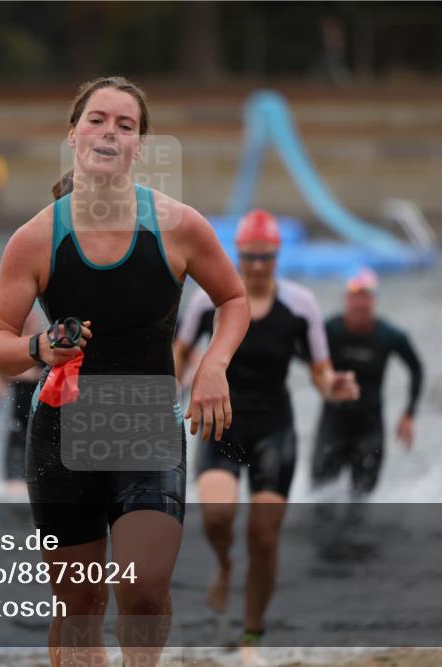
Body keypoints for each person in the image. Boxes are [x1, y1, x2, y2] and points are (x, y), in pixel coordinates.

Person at [0, 76, 249, 667]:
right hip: (60, 431)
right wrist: (40, 346)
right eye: (97, 120)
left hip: (146, 423)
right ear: (74, 135)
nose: (109, 132)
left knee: (144, 585)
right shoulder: (36, 239)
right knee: (79, 606)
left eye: (125, 125)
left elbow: (233, 300)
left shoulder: (179, 227)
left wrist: (213, 366)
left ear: (139, 147)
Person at [174, 209, 359, 646]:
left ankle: (252, 636)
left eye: (267, 258)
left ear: (278, 257)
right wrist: (176, 383)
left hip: (275, 429)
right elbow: (178, 351)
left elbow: (320, 372)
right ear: (237, 255)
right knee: (218, 517)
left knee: (263, 536)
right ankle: (223, 566)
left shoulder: (300, 305)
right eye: (250, 257)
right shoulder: (209, 301)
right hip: (222, 426)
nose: (258, 266)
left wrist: (335, 386)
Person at [310, 267, 424, 498]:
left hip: (370, 426)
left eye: (366, 297)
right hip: (333, 423)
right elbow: (304, 357)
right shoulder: (328, 330)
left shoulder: (390, 336)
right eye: (355, 297)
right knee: (318, 498)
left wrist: (409, 414)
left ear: (374, 300)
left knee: (361, 502)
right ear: (346, 299)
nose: (360, 304)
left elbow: (416, 369)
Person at [0, 309, 47, 493]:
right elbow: (1, 369)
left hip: (42, 427)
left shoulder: (45, 347)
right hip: (18, 427)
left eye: (31, 320)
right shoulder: (14, 354)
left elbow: (41, 375)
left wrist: (7, 377)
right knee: (14, 485)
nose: (30, 323)